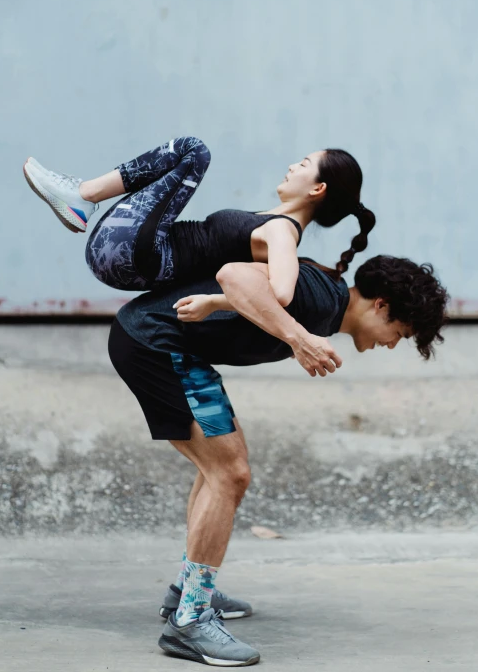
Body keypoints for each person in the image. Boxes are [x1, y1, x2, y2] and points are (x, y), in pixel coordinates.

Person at [107, 253, 448, 666]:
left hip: (169, 347)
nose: (392, 343)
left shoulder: (326, 306)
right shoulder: (320, 296)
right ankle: (190, 620)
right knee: (229, 473)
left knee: (225, 470)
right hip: (153, 343)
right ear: (381, 305)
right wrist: (297, 337)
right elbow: (233, 275)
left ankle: (188, 591)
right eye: (399, 331)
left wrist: (295, 335)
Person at [22, 137, 376, 315]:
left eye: (303, 164)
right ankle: (80, 197)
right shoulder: (275, 224)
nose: (293, 167)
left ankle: (82, 195)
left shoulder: (282, 232)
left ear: (318, 188)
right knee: (186, 155)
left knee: (194, 151)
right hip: (129, 258)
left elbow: (282, 294)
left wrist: (213, 303)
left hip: (138, 256)